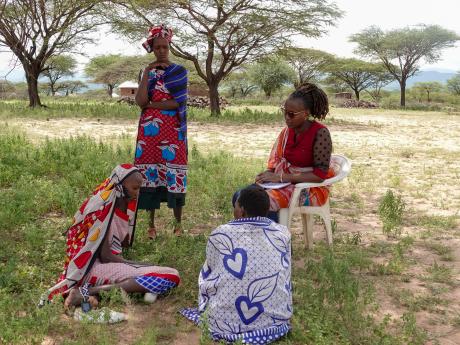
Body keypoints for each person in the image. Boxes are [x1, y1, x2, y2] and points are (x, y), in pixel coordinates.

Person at [40, 164, 180, 310]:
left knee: (164, 274)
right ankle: (86, 292)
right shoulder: (104, 210)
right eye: (134, 188)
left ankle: (95, 293)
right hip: (92, 269)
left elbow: (121, 243)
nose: (138, 193)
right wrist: (138, 264)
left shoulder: (120, 205)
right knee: (171, 276)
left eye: (139, 188)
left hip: (104, 266)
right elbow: (106, 256)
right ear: (119, 187)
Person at [181, 185, 292, 344]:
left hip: (224, 322)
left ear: (242, 210)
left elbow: (211, 269)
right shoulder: (283, 233)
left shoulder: (221, 233)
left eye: (236, 206)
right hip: (275, 322)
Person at [248, 83, 333, 222]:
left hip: (308, 189)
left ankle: (277, 242)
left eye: (291, 114)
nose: (286, 117)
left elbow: (319, 175)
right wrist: (268, 174)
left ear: (305, 114)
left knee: (261, 204)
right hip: (283, 182)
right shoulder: (287, 132)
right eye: (284, 111)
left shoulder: (320, 133)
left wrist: (282, 177)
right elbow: (276, 162)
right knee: (242, 196)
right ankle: (257, 240)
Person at [134, 24, 188, 239]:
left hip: (173, 132)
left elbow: (177, 103)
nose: (161, 51)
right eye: (157, 48)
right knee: (150, 177)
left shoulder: (179, 71)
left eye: (165, 47)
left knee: (175, 174)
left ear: (170, 47)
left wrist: (152, 106)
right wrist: (147, 72)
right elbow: (140, 101)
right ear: (152, 49)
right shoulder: (147, 72)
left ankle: (177, 224)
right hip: (148, 137)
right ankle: (151, 225)